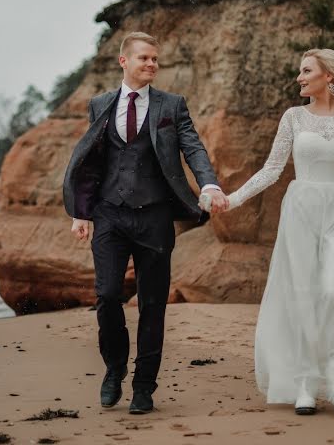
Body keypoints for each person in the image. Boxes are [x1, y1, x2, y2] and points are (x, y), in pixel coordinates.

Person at [204, 48, 334, 416]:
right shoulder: (293, 117)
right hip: (303, 210)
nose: (299, 78)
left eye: (306, 71)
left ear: (330, 76)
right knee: (305, 295)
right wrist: (233, 198)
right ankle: (305, 382)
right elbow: (273, 169)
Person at [63, 31, 227, 414]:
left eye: (155, 59)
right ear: (124, 62)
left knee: (153, 305)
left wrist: (209, 182)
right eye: (144, 58)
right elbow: (92, 161)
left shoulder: (172, 106)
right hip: (109, 214)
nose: (152, 64)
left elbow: (193, 147)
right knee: (106, 295)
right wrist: (81, 211)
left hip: (154, 216)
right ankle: (114, 367)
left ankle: (144, 387)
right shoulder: (99, 104)